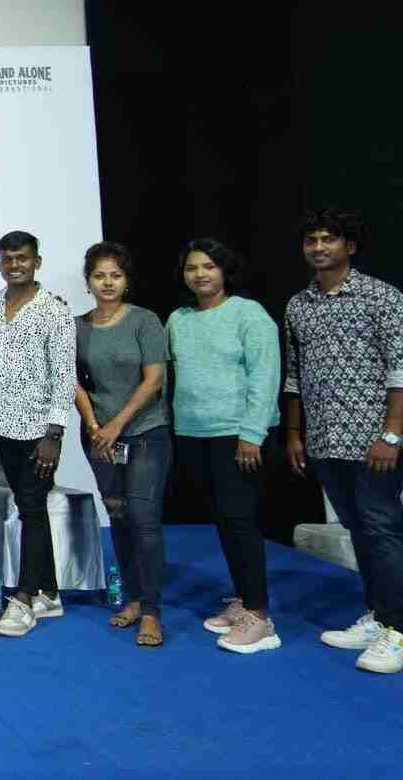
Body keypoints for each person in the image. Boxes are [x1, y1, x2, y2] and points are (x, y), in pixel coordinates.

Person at [282, 208, 403, 674]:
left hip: (375, 441)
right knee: (359, 530)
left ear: (349, 247)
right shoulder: (298, 305)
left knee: (382, 528)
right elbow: (294, 376)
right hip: (325, 439)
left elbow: (400, 370)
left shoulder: (382, 296)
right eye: (311, 240)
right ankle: (379, 615)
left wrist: (391, 434)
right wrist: (294, 433)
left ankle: (398, 630)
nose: (319, 247)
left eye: (328, 239)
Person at [168, 238, 282, 654]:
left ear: (224, 271)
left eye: (209, 266)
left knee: (240, 521)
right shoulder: (178, 319)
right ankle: (243, 600)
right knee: (223, 520)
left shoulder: (249, 314)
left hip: (239, 436)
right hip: (194, 435)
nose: (200, 274)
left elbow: (265, 376)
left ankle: (260, 619)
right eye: (192, 268)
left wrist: (252, 433)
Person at [70, 242, 170, 648]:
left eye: (116, 275)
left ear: (126, 281)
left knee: (144, 519)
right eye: (99, 276)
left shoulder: (145, 321)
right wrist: (95, 425)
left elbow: (154, 379)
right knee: (119, 516)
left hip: (145, 431)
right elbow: (73, 382)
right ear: (88, 282)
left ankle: (152, 612)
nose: (107, 283)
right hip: (99, 436)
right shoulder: (76, 326)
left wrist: (117, 424)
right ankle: (131, 599)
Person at [0, 230, 75, 638]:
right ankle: (49, 593)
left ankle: (23, 600)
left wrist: (54, 433)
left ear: (37, 262)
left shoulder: (54, 310)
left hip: (40, 432)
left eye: (22, 258)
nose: (15, 265)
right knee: (28, 506)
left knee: (32, 509)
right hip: (0, 427)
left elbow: (65, 375)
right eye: (8, 259)